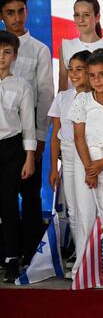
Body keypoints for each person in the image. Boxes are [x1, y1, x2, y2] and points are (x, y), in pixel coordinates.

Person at [1, 0, 54, 264]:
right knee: (4, 196)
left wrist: (41, 136)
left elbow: (46, 93)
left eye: (21, 11)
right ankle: (8, 249)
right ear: (1, 15)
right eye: (10, 12)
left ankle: (32, 251)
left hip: (29, 131)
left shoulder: (39, 50)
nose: (17, 17)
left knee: (30, 192)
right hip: (4, 130)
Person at [68, 49, 103, 286]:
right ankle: (83, 265)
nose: (97, 80)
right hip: (85, 163)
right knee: (86, 214)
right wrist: (90, 167)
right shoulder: (82, 100)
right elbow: (79, 136)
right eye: (92, 75)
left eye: (102, 74)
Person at [47, 50, 91, 277]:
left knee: (86, 208)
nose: (73, 74)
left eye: (79, 69)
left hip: (87, 155)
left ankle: (87, 260)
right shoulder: (62, 97)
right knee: (72, 209)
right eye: (70, 69)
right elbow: (56, 133)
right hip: (67, 155)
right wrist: (54, 167)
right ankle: (79, 258)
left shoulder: (94, 96)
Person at [0, 30, 36, 282]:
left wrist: (30, 157)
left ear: (15, 55)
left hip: (11, 149)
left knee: (9, 204)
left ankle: (12, 257)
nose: (1, 57)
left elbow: (28, 125)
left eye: (7, 52)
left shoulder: (22, 85)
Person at [59, 0, 103, 91]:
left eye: (86, 15)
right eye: (77, 15)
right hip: (72, 104)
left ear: (97, 17)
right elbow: (62, 87)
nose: (81, 20)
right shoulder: (66, 46)